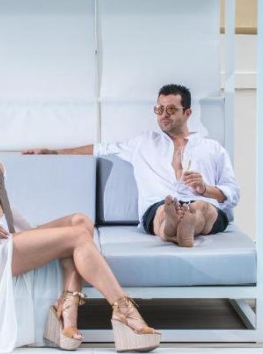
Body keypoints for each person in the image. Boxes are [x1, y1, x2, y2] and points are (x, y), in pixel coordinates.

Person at [0, 75, 159, 354]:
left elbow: (4, 202)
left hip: (8, 235)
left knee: (80, 221)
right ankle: (123, 311)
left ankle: (66, 312)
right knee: (77, 237)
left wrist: (34, 232)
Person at [24, 84, 239, 247]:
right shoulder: (144, 143)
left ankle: (184, 224)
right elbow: (100, 149)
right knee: (164, 211)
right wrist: (53, 152)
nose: (164, 115)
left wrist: (205, 189)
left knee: (201, 208)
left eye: (172, 109)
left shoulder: (212, 148)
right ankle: (177, 225)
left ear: (187, 113)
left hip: (203, 201)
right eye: (160, 109)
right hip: (160, 204)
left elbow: (233, 193)